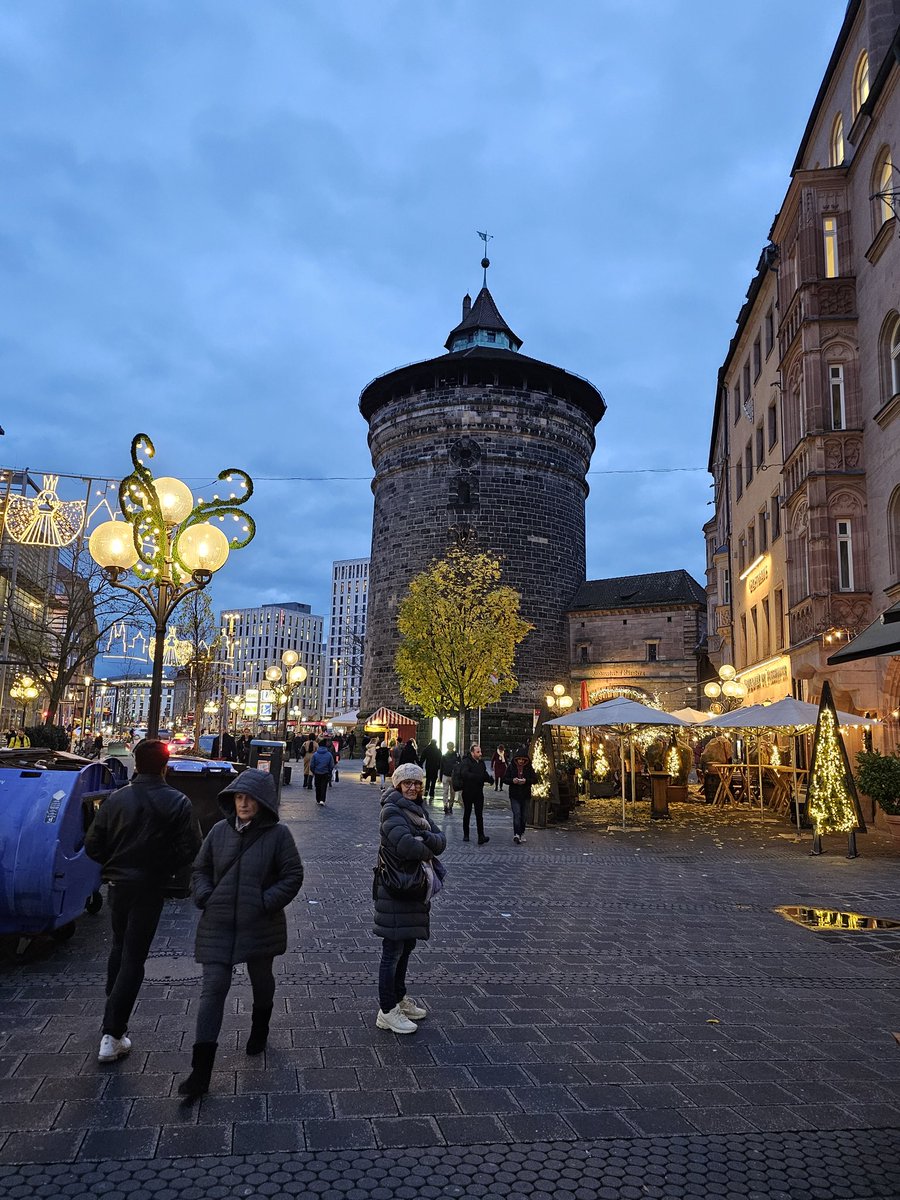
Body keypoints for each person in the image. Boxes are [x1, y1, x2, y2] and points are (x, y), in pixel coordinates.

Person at [177, 768, 303, 1102]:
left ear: (263, 802)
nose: (243, 803)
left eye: (250, 798)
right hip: (218, 923)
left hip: (259, 923)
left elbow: (293, 875)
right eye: (238, 797)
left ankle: (259, 1027)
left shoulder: (278, 836)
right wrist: (203, 895)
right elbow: (200, 868)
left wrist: (264, 902)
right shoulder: (219, 831)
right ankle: (200, 1070)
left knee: (261, 979)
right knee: (213, 990)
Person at [84, 738, 201, 1064]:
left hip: (118, 886)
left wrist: (115, 861)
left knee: (120, 947)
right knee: (134, 956)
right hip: (150, 886)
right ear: (166, 766)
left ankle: (111, 1015)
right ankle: (113, 1032)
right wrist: (164, 867)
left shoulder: (115, 800)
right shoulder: (178, 801)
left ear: (136, 765)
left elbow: (93, 844)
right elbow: (192, 847)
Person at [373, 763, 446, 1034]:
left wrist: (424, 838)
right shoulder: (391, 810)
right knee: (392, 951)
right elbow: (406, 846)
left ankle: (399, 998)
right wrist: (426, 843)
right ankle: (387, 1011)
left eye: (417, 782)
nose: (413, 787)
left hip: (414, 889)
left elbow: (441, 841)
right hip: (396, 890)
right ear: (397, 785)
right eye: (407, 783)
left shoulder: (419, 810)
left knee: (406, 947)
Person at [455, 744, 492, 844]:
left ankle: (481, 836)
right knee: (467, 813)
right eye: (478, 752)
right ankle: (466, 834)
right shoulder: (466, 762)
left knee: (479, 815)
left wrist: (490, 779)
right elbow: (465, 774)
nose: (480, 754)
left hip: (479, 793)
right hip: (468, 792)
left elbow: (484, 773)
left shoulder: (481, 763)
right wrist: (477, 777)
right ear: (472, 753)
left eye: (480, 751)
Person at [507, 747, 537, 844]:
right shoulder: (511, 767)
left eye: (522, 759)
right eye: (519, 759)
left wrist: (526, 781)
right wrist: (512, 780)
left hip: (525, 795)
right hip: (514, 794)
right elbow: (505, 778)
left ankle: (521, 832)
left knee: (523, 816)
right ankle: (517, 834)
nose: (520, 761)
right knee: (517, 814)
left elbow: (535, 779)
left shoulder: (529, 768)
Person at [700, 733, 733, 804]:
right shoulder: (726, 742)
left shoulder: (711, 743)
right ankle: (725, 797)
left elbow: (704, 756)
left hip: (711, 769)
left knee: (714, 782)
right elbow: (729, 756)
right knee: (726, 781)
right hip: (723, 769)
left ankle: (712, 799)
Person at [311, 738, 335, 806]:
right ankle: (322, 800)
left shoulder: (315, 754)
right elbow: (331, 765)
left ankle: (318, 799)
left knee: (317, 786)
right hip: (325, 773)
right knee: (324, 787)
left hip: (317, 772)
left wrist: (314, 771)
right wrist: (329, 771)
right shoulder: (329, 754)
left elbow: (312, 765)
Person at [439, 742, 461, 814]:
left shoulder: (445, 756)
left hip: (448, 775)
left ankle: (447, 805)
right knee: (451, 792)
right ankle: (448, 806)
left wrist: (440, 776)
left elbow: (441, 767)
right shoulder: (456, 755)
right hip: (450, 775)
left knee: (448, 792)